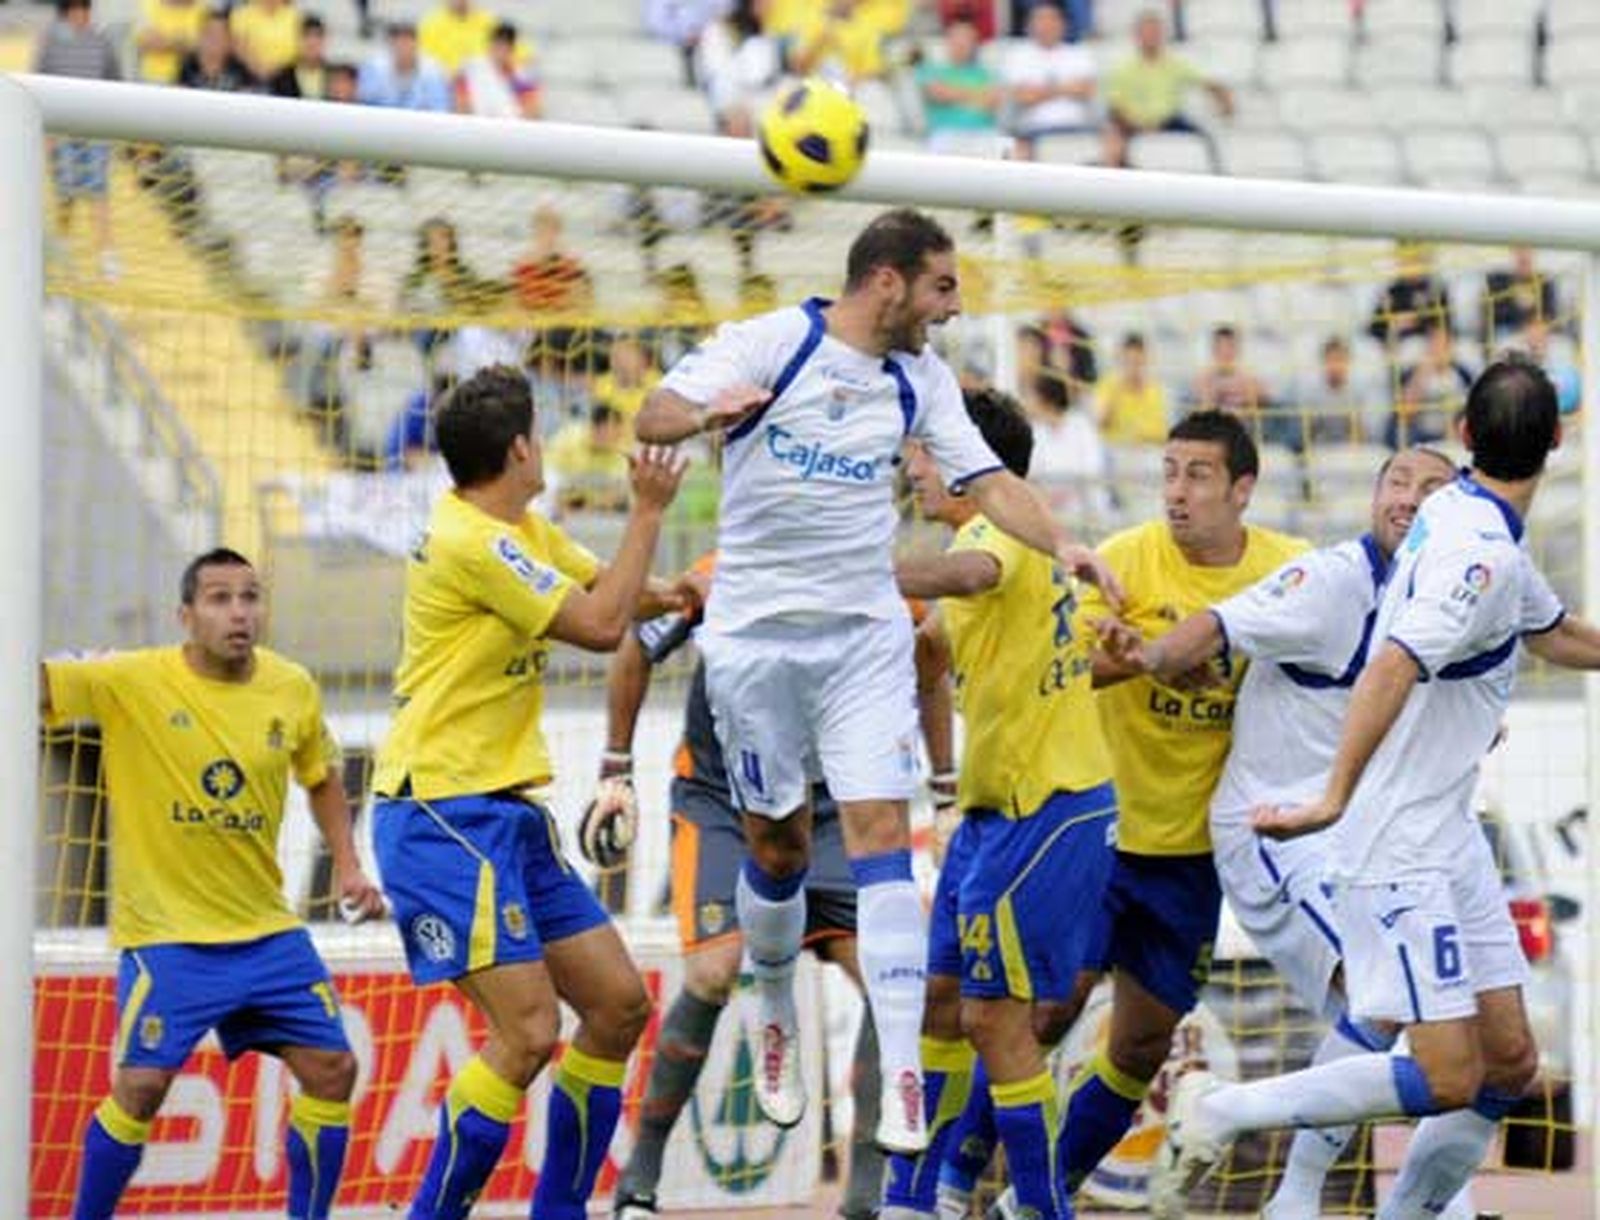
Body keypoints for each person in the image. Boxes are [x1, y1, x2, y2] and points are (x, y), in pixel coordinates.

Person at [635, 207, 1119, 1153]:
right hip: (756, 639)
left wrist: (1063, 542)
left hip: (861, 636)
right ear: (889, 281)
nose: (953, 306)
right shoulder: (775, 341)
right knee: (774, 850)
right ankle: (774, 998)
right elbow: (653, 414)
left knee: (879, 838)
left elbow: (987, 482)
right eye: (942, 286)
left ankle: (897, 1072)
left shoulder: (922, 378)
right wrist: (705, 414)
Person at [1158, 357, 1600, 1220]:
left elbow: (1554, 633)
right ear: (1557, 440)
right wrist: (1332, 796)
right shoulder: (1477, 554)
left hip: (1451, 839)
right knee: (1447, 1072)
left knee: (1507, 1065)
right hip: (1396, 843)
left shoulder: (1464, 516)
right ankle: (1220, 1110)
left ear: (1467, 441)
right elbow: (1392, 664)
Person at [1102, 447, 1458, 1218]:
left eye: (1430, 488)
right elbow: (1218, 622)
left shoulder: (1455, 594)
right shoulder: (1330, 582)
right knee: (1392, 1009)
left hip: (1368, 836)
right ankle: (1279, 1171)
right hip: (1278, 831)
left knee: (1446, 1038)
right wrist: (1154, 656)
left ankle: (1318, 1200)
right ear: (1372, 497)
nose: (1408, 499)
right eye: (1395, 482)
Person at [371, 365, 689, 1220]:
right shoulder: (476, 542)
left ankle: (561, 1211)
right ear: (519, 449)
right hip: (440, 809)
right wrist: (650, 509)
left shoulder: (517, 527)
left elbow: (618, 589)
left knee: (619, 1007)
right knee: (530, 1032)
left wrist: (693, 586)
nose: (543, 446)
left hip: (503, 810)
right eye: (538, 434)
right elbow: (598, 625)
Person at [604, 552, 956, 1220]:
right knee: (712, 974)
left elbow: (931, 665)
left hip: (834, 812)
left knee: (895, 983)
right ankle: (641, 1176)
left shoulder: (881, 575)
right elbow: (633, 643)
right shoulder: (727, 566)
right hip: (723, 802)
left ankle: (863, 1198)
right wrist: (614, 766)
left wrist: (945, 790)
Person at [45, 548, 384, 1220]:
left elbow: (320, 777)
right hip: (169, 937)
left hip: (266, 934)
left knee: (333, 1070)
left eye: (251, 597)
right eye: (220, 598)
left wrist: (348, 866)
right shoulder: (130, 678)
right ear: (186, 615)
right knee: (140, 1086)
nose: (240, 612)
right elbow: (34, 687)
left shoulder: (291, 686)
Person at [1053, 411, 1307, 1205]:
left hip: (1195, 856)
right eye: (1167, 472)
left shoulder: (1289, 570)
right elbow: (1057, 677)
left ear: (1242, 488)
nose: (1176, 492)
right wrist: (1134, 663)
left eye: (1197, 474)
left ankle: (1044, 1189)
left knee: (1140, 1042)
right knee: (1044, 1013)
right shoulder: (1124, 562)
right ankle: (955, 1184)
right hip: (1099, 832)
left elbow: (1353, 655)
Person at [883, 389, 1117, 1220]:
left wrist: (855, 568)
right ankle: (918, 1200)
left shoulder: (997, 533)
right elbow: (932, 650)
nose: (913, 469)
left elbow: (967, 573)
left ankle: (1037, 1207)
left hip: (1045, 806)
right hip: (991, 814)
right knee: (943, 999)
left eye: (924, 453)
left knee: (994, 1018)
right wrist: (942, 782)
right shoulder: (1005, 538)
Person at [35, 0, 121, 276]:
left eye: (84, 9)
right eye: (75, 9)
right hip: (63, 132)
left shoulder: (101, 41)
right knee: (66, 192)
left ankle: (107, 253)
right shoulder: (51, 41)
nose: (80, 15)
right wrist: (47, 131)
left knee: (98, 190)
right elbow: (39, 83)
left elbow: (115, 83)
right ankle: (62, 244)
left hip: (95, 129)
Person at [1102, 7, 1233, 170]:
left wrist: (1222, 96)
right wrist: (1140, 124)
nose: (1152, 36)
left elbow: (1205, 82)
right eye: (1147, 32)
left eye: (1155, 32)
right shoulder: (1123, 68)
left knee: (1205, 138)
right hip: (1133, 124)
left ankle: (1216, 176)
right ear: (1136, 35)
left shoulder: (1174, 64)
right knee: (1113, 137)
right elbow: (1116, 107)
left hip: (1170, 121)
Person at [1002, 1, 1098, 144]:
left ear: (1063, 24)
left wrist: (1041, 90)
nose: (1047, 25)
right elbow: (1022, 96)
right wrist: (1065, 88)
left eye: (1052, 19)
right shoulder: (1017, 55)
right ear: (1029, 25)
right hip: (1033, 132)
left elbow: (1086, 90)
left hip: (1077, 129)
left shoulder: (1078, 53)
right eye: (1041, 19)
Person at [916, 16, 1002, 151]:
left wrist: (954, 93)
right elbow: (938, 94)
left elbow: (993, 101)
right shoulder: (931, 68)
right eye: (957, 37)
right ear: (948, 40)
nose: (961, 43)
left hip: (984, 135)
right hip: (945, 134)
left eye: (967, 38)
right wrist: (977, 95)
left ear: (975, 43)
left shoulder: (987, 72)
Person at [358, 21, 451, 112]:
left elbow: (440, 109)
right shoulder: (374, 68)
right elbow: (364, 104)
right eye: (398, 40)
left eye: (408, 40)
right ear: (390, 43)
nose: (403, 45)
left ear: (416, 43)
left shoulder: (432, 72)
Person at [1094, 331, 1168, 444]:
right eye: (1128, 361)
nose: (1133, 367)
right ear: (1120, 359)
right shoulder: (1108, 385)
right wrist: (1118, 389)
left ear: (1145, 359)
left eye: (1138, 361)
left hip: (1147, 451)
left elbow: (1160, 433)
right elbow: (1100, 423)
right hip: (1116, 450)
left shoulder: (1154, 389)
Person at [455, 20, 540, 118]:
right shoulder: (471, 67)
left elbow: (532, 110)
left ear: (511, 48)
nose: (502, 48)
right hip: (476, 124)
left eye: (506, 44)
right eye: (498, 42)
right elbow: (462, 103)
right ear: (490, 44)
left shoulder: (521, 75)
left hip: (509, 127)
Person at [178, 10, 255, 91]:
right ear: (200, 37)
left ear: (230, 42)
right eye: (210, 34)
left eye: (220, 36)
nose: (213, 41)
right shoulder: (188, 67)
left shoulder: (241, 74)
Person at [419, 0, 498, 77]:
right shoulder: (430, 25)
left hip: (481, 82)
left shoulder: (490, 24)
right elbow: (423, 63)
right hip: (443, 83)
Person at [229, 0, 301, 84]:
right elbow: (239, 46)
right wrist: (258, 69)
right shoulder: (242, 13)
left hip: (285, 76)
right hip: (247, 73)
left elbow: (299, 50)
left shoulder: (295, 16)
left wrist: (275, 70)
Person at [135, 0, 205, 84]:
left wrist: (165, 41)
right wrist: (179, 42)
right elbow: (145, 42)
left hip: (189, 79)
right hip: (149, 78)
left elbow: (200, 48)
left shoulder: (202, 9)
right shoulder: (148, 3)